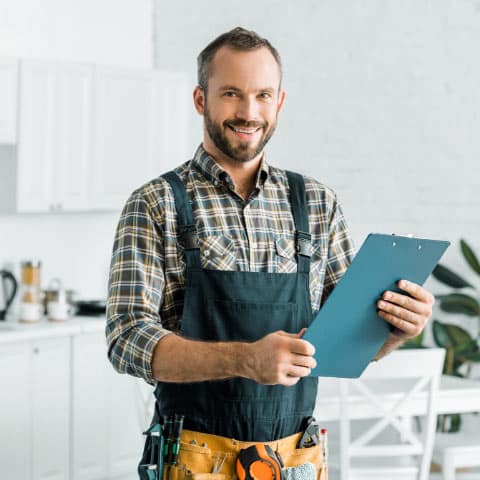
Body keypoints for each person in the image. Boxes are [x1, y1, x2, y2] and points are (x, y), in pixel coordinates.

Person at [106, 27, 435, 479]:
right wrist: (244, 359)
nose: (248, 112)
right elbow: (125, 339)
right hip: (192, 459)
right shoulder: (156, 202)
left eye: (263, 95)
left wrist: (396, 329)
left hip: (296, 459)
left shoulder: (317, 202)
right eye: (231, 94)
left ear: (279, 102)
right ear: (201, 99)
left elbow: (346, 340)